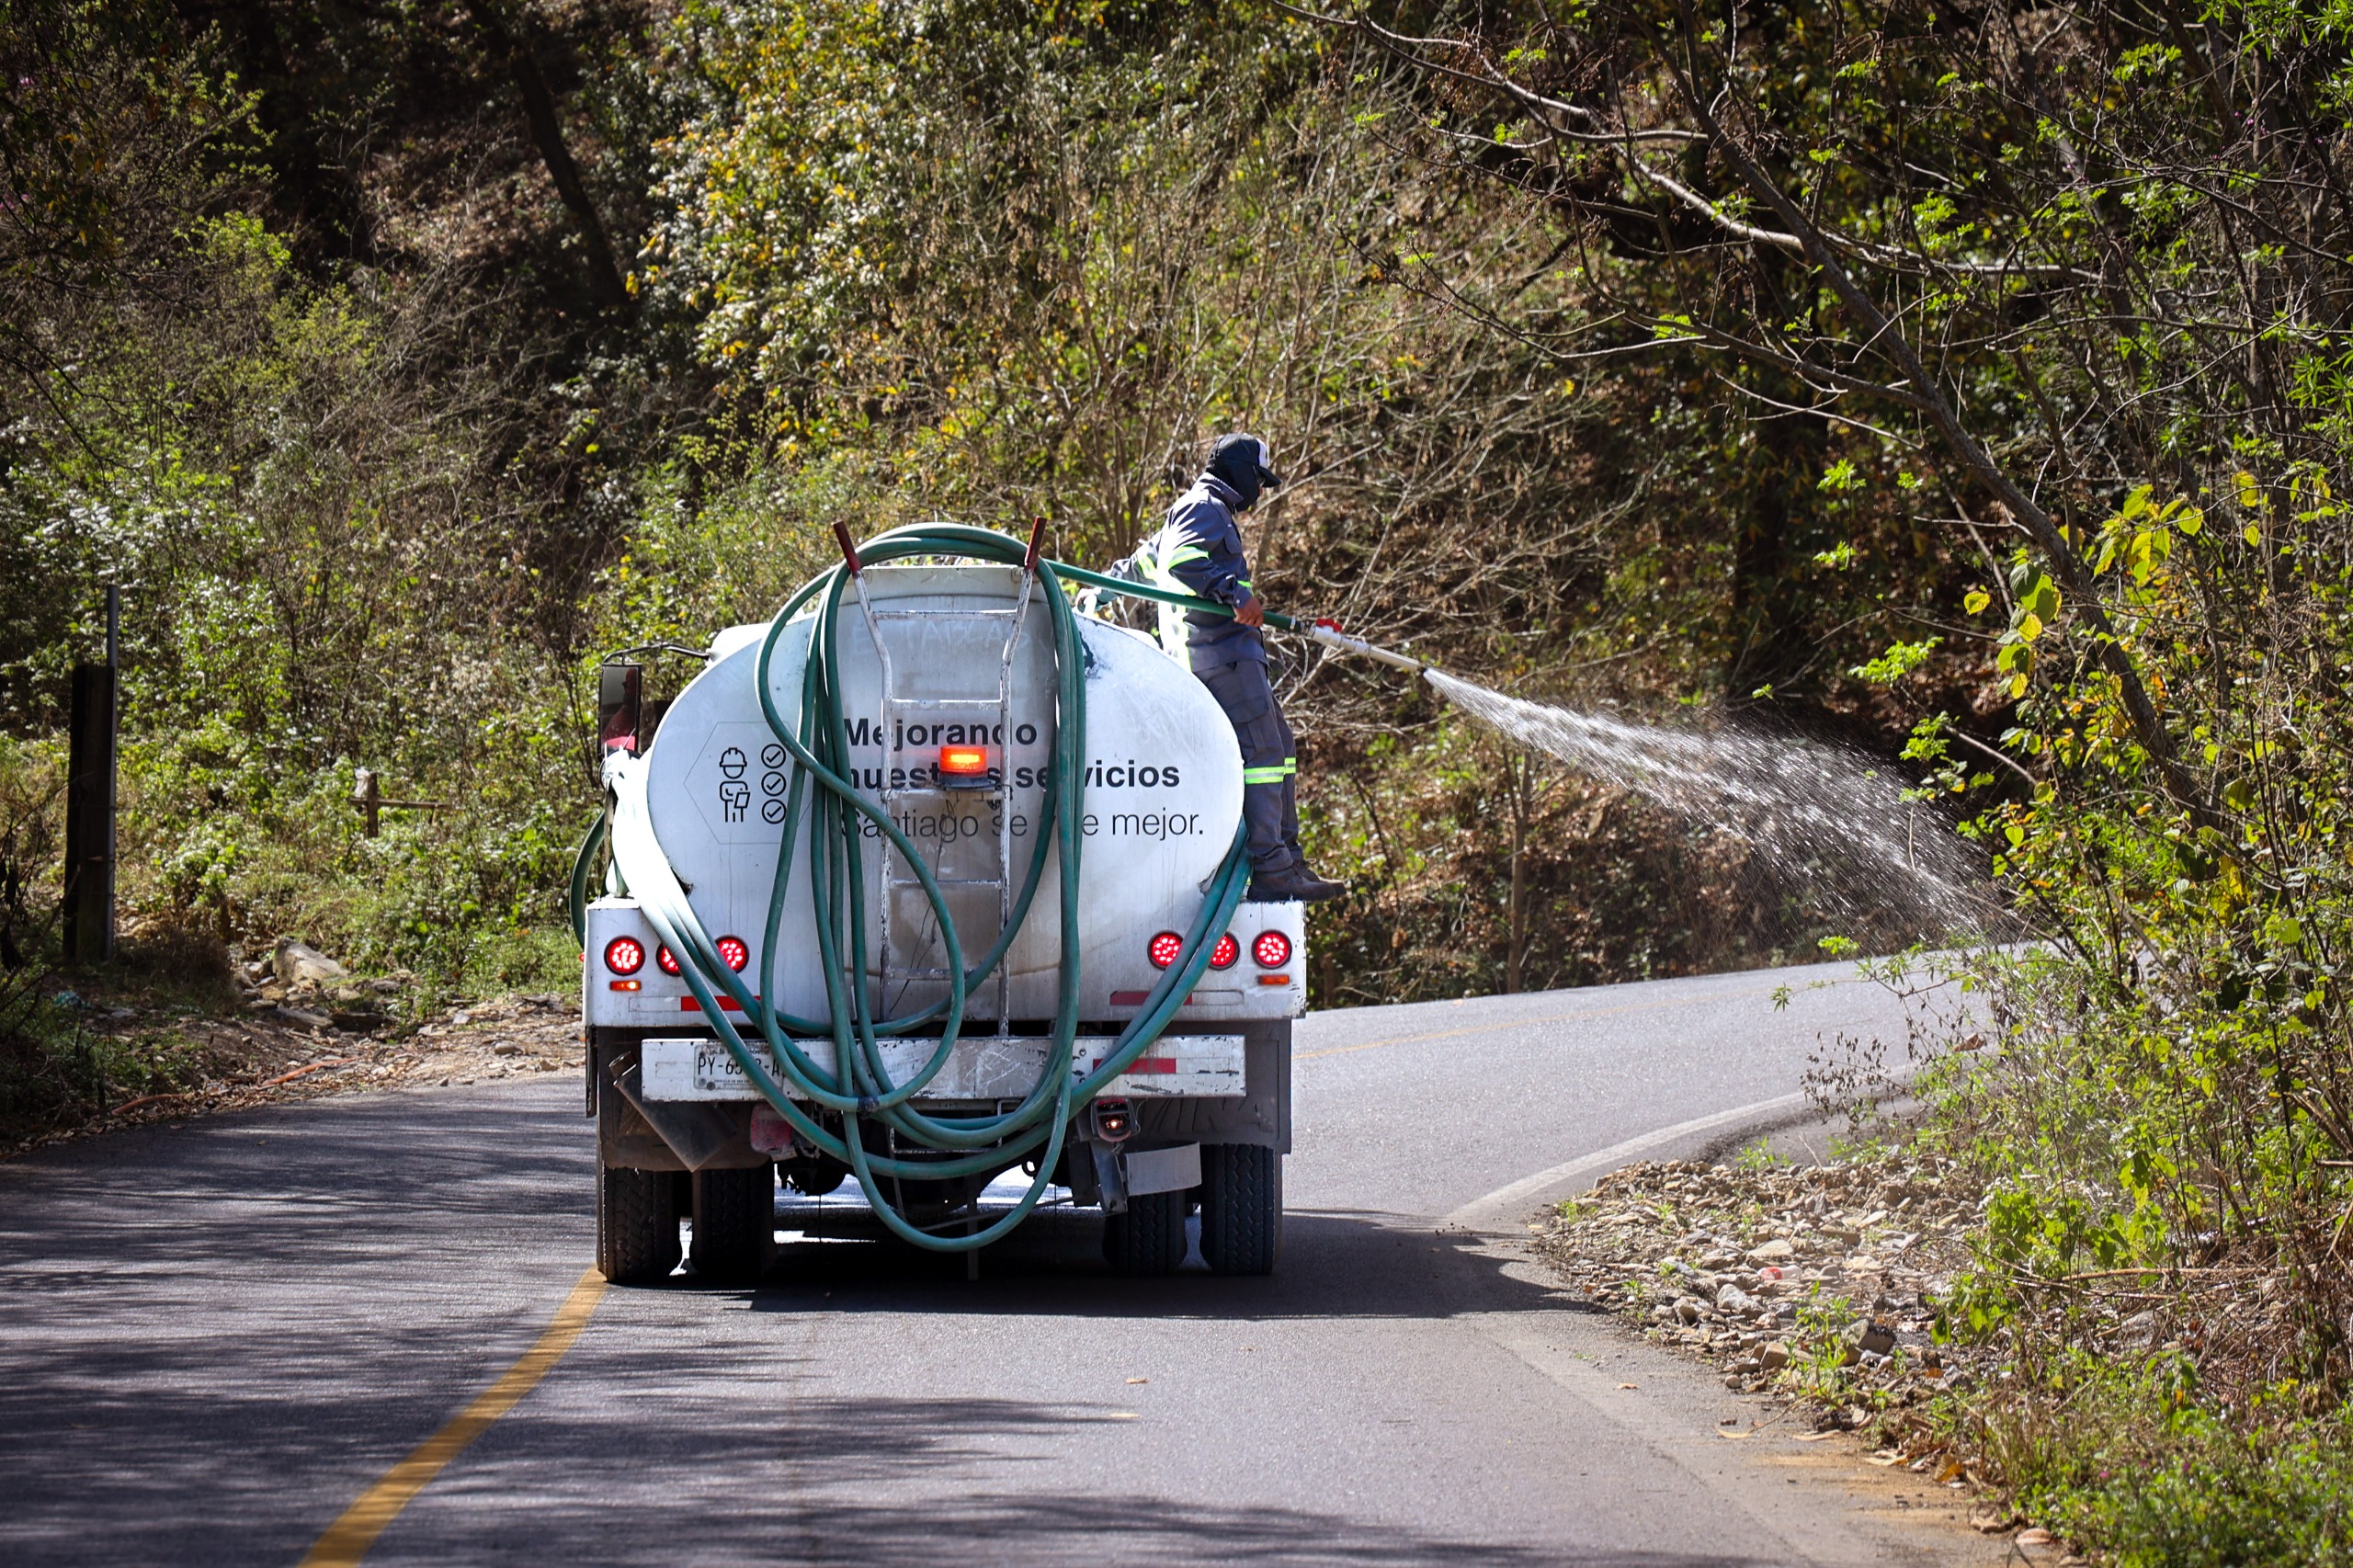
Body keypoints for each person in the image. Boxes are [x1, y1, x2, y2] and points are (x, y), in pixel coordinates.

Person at [1130, 434, 1345, 903]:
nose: (1261, 492)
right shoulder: (1203, 507)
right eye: (1259, 481)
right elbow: (1185, 563)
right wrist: (1235, 593)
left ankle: (1288, 858)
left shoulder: (1197, 510)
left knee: (1280, 747)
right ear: (1240, 471)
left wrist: (1101, 590)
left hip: (1230, 656)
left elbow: (1146, 562)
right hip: (1221, 656)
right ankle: (1272, 868)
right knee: (1264, 754)